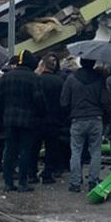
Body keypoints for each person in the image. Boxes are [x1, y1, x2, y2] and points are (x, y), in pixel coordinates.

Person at [0, 50, 45, 192]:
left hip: (9, 120)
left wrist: (1, 117)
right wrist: (40, 115)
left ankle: (8, 182)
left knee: (9, 151)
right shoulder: (34, 78)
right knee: (25, 151)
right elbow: (39, 101)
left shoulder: (6, 77)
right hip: (28, 121)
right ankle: (23, 182)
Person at [61, 58, 111, 192]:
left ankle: (75, 182)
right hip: (96, 118)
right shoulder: (100, 80)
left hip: (77, 119)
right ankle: (93, 181)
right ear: (93, 63)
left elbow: (64, 102)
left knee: (76, 151)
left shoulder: (71, 79)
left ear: (81, 63)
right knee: (95, 151)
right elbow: (106, 101)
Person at [34, 54, 66, 184]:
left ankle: (32, 172)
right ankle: (48, 173)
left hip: (38, 119)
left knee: (34, 147)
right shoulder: (59, 81)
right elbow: (63, 102)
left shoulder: (37, 80)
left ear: (43, 66)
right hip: (54, 120)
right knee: (52, 148)